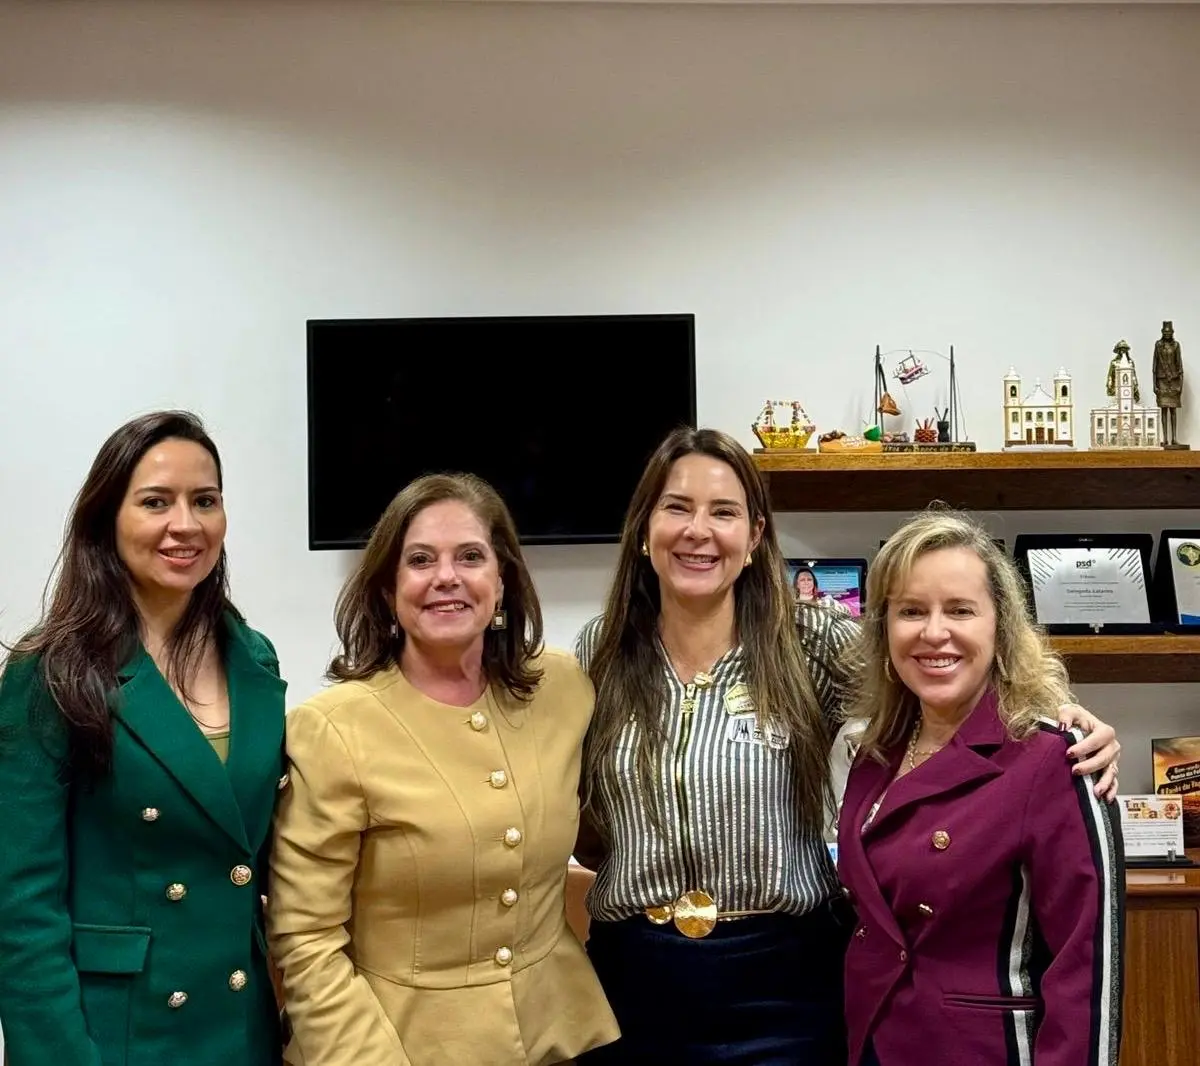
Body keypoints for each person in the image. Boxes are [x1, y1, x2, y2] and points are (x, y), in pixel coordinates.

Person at [572, 426, 1120, 1066]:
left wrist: (1062, 716)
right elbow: (579, 815)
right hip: (632, 980)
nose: (699, 530)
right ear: (644, 529)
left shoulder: (809, 641)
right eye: (677, 508)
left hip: (783, 983)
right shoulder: (597, 652)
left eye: (724, 512)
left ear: (754, 538)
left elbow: (937, 669)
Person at [266, 473, 619, 1066]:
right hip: (394, 1045)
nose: (446, 577)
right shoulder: (334, 727)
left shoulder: (562, 687)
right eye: (420, 560)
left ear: (501, 581)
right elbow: (306, 939)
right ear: (387, 589)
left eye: (471, 557)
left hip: (561, 1032)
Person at [0, 411, 288, 1066]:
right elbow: (21, 916)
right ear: (108, 519)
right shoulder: (50, 672)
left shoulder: (255, 659)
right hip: (116, 1034)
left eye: (205, 501)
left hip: (239, 1024)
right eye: (155, 502)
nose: (185, 524)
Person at [836, 508, 1124, 1066]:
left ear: (1000, 626)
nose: (934, 632)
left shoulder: (1053, 761)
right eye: (911, 611)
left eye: (961, 610)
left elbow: (1087, 970)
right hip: (871, 1041)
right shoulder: (873, 754)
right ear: (884, 629)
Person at [1153, 320, 1184, 447]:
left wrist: (1181, 384)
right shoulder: (1158, 345)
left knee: (1173, 410)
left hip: (1174, 380)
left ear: (1172, 332)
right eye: (1165, 332)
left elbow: (1179, 364)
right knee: (1163, 410)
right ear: (1162, 332)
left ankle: (1174, 438)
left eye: (1169, 332)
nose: (1167, 334)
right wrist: (1154, 383)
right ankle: (1165, 438)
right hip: (1161, 380)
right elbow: (1154, 365)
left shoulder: (1176, 345)